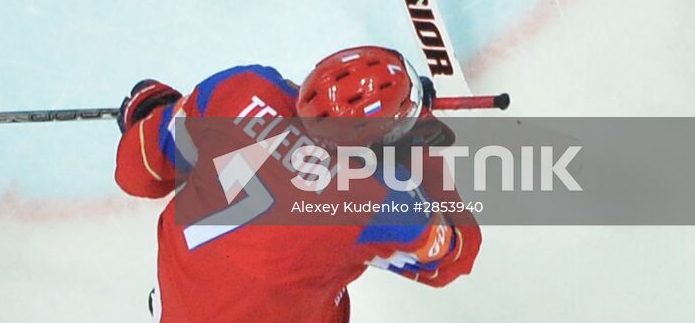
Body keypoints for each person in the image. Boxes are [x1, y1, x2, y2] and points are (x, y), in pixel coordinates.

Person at [114, 46, 480, 321]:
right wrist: (420, 150)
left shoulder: (240, 87)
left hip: (178, 299)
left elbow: (137, 172)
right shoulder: (380, 201)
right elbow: (454, 257)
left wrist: (153, 112)